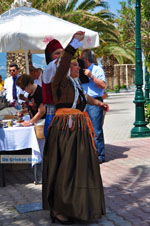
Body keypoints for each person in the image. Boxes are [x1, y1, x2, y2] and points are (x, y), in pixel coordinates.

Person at [42, 31, 109, 224]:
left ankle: (77, 206)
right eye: (73, 64)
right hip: (65, 130)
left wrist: (99, 104)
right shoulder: (58, 80)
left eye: (77, 64)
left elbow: (85, 98)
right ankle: (58, 208)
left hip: (78, 130)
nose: (77, 67)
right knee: (65, 169)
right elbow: (63, 64)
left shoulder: (76, 82)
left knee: (80, 170)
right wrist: (73, 43)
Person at [80, 49, 106, 164]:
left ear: (85, 59)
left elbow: (102, 85)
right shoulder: (80, 71)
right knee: (84, 130)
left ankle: (100, 155)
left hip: (95, 102)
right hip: (83, 102)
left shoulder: (97, 69)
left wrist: (91, 76)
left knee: (96, 129)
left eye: (81, 59)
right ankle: (89, 154)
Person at [42, 39, 63, 137]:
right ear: (50, 56)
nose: (60, 56)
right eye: (57, 53)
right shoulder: (51, 66)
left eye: (62, 53)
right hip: (53, 111)